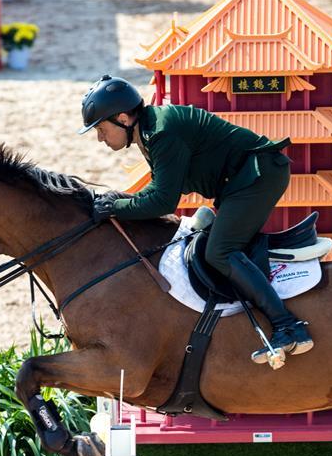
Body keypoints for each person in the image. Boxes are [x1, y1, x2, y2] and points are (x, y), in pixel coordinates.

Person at [78, 74, 313, 364]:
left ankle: (288, 326)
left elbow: (163, 202)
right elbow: (156, 189)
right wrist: (118, 202)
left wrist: (116, 207)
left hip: (257, 174)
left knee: (220, 252)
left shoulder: (162, 132)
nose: (100, 138)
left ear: (123, 119)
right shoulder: (149, 130)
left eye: (101, 129)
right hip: (241, 181)